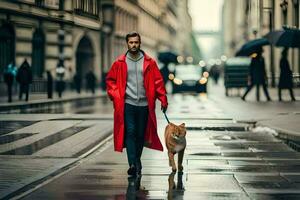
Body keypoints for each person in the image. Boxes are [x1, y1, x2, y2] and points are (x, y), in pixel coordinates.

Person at [106, 31, 168, 177]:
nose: (133, 45)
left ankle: (137, 160)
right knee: (131, 131)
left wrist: (163, 99)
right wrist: (116, 95)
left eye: (136, 42)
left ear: (140, 43)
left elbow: (158, 82)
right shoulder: (119, 62)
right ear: (127, 43)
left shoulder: (150, 62)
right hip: (127, 104)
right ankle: (133, 164)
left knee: (140, 134)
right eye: (131, 42)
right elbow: (110, 81)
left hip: (145, 105)